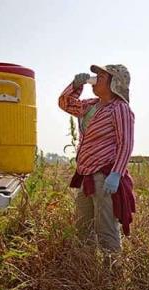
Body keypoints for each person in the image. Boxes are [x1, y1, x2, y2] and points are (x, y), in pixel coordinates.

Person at [59, 64, 135, 252]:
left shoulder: (120, 108)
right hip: (86, 175)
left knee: (106, 230)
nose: (95, 79)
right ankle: (89, 273)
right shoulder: (91, 105)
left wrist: (116, 174)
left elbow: (125, 143)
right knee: (82, 228)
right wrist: (76, 85)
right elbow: (65, 103)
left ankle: (112, 275)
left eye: (101, 77)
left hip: (104, 177)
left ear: (114, 83)